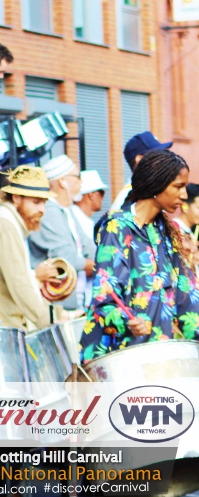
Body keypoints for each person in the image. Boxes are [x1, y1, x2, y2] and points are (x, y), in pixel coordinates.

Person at [80, 149, 199, 361]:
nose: (184, 195)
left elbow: (187, 297)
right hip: (118, 356)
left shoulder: (167, 232)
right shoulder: (117, 228)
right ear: (157, 184)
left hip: (158, 357)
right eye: (178, 187)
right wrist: (127, 321)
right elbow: (104, 301)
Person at [0, 165, 61, 329]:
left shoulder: (8, 224)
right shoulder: (6, 228)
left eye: (44, 203)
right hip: (0, 334)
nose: (42, 209)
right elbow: (21, 286)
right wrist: (49, 322)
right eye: (36, 202)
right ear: (16, 198)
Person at [29, 156, 95, 310]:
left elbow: (87, 246)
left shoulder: (65, 210)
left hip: (74, 304)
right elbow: (67, 259)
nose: (81, 182)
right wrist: (99, 265)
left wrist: (103, 260)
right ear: (62, 181)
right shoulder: (49, 211)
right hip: (57, 308)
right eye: (77, 177)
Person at [109, 131, 172, 211]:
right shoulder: (127, 198)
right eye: (156, 155)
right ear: (139, 160)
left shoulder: (152, 191)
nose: (162, 160)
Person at [71, 170, 108, 240]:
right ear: (91, 195)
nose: (103, 197)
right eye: (101, 193)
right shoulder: (74, 219)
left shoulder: (82, 219)